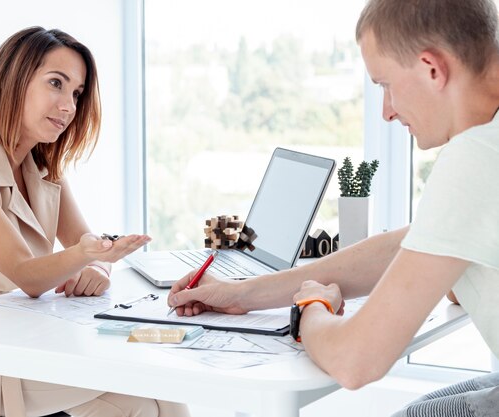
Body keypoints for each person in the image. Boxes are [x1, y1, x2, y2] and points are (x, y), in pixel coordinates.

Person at [168, 0, 499, 415]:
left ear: (432, 68)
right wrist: (244, 295)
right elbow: (415, 244)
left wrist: (311, 309)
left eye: (386, 85)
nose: (387, 112)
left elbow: (355, 360)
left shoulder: (477, 156)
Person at [0, 26, 190, 417]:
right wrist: (87, 254)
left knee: (159, 384)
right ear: (13, 81)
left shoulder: (42, 167)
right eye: (56, 83)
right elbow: (29, 274)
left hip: (15, 332)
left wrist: (98, 265)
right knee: (135, 398)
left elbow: (84, 240)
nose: (69, 105)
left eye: (76, 93)